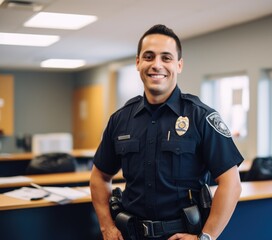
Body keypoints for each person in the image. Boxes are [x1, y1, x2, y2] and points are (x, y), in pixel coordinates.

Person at [90, 24, 243, 240]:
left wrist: (206, 237)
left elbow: (231, 183)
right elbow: (99, 176)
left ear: (179, 65)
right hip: (130, 235)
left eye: (166, 58)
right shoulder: (120, 119)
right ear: (138, 62)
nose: (157, 65)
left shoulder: (201, 117)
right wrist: (106, 226)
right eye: (149, 56)